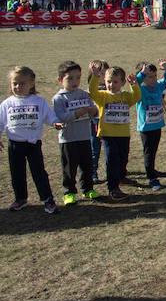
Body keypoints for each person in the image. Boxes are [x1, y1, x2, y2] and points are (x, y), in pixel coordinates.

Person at [1, 66, 63, 213]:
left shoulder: (39, 101)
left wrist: (55, 122)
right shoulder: (7, 103)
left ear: (31, 84)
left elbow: (49, 116)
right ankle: (20, 199)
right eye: (14, 83)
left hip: (33, 144)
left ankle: (48, 200)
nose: (18, 86)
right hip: (15, 145)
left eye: (22, 83)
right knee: (17, 173)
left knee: (39, 173)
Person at [88, 63, 142, 201]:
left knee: (123, 158)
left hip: (123, 134)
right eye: (109, 82)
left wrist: (134, 85)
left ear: (122, 82)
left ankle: (122, 178)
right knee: (112, 161)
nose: (111, 85)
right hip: (108, 135)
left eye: (115, 82)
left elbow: (136, 97)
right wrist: (95, 77)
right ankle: (113, 188)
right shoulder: (102, 96)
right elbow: (92, 92)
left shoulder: (125, 96)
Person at [52, 61, 100, 204]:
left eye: (78, 77)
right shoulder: (59, 98)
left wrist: (93, 111)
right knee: (69, 168)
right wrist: (77, 113)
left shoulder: (84, 94)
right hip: (68, 139)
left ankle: (88, 189)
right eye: (70, 78)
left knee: (87, 165)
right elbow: (61, 117)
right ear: (60, 80)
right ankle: (69, 192)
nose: (75, 81)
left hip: (85, 137)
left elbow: (95, 112)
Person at [135, 60, 166, 190]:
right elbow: (135, 84)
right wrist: (141, 75)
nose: (153, 79)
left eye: (155, 76)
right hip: (146, 128)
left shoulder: (158, 86)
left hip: (157, 126)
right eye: (149, 77)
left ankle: (152, 170)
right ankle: (151, 178)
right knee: (148, 152)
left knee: (154, 150)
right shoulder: (140, 90)